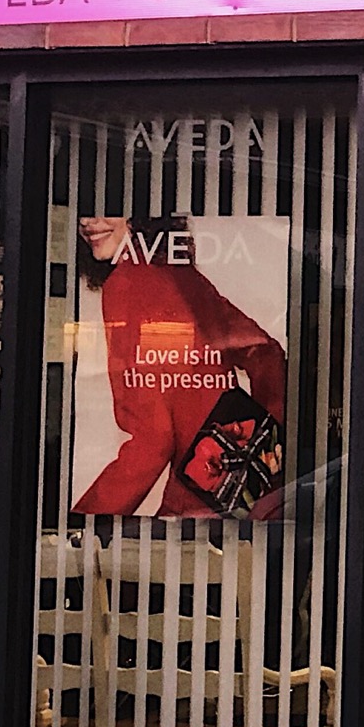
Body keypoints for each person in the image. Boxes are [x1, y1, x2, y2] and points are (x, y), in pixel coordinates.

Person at [73, 214, 287, 518]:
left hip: (199, 504)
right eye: (83, 210)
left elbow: (152, 441)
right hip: (243, 500)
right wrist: (261, 444)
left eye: (107, 207)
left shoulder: (128, 283)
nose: (87, 221)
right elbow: (266, 354)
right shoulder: (180, 274)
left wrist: (81, 522)